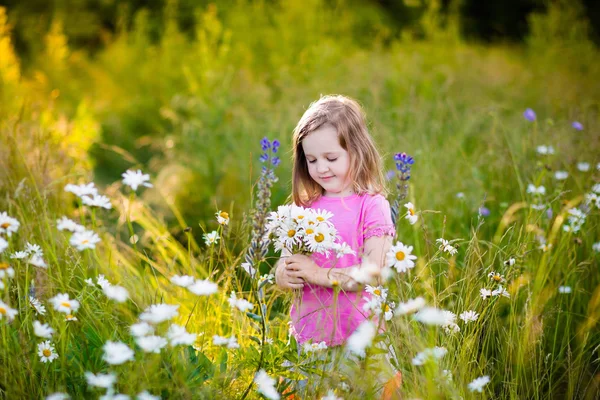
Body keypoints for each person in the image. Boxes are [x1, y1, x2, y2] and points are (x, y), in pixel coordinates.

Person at [274, 95, 402, 399]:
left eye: (331, 158)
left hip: (361, 339)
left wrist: (317, 273)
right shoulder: (302, 206)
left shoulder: (372, 206)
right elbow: (284, 262)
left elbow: (373, 274)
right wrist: (283, 274)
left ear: (355, 152)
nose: (321, 168)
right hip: (312, 340)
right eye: (311, 159)